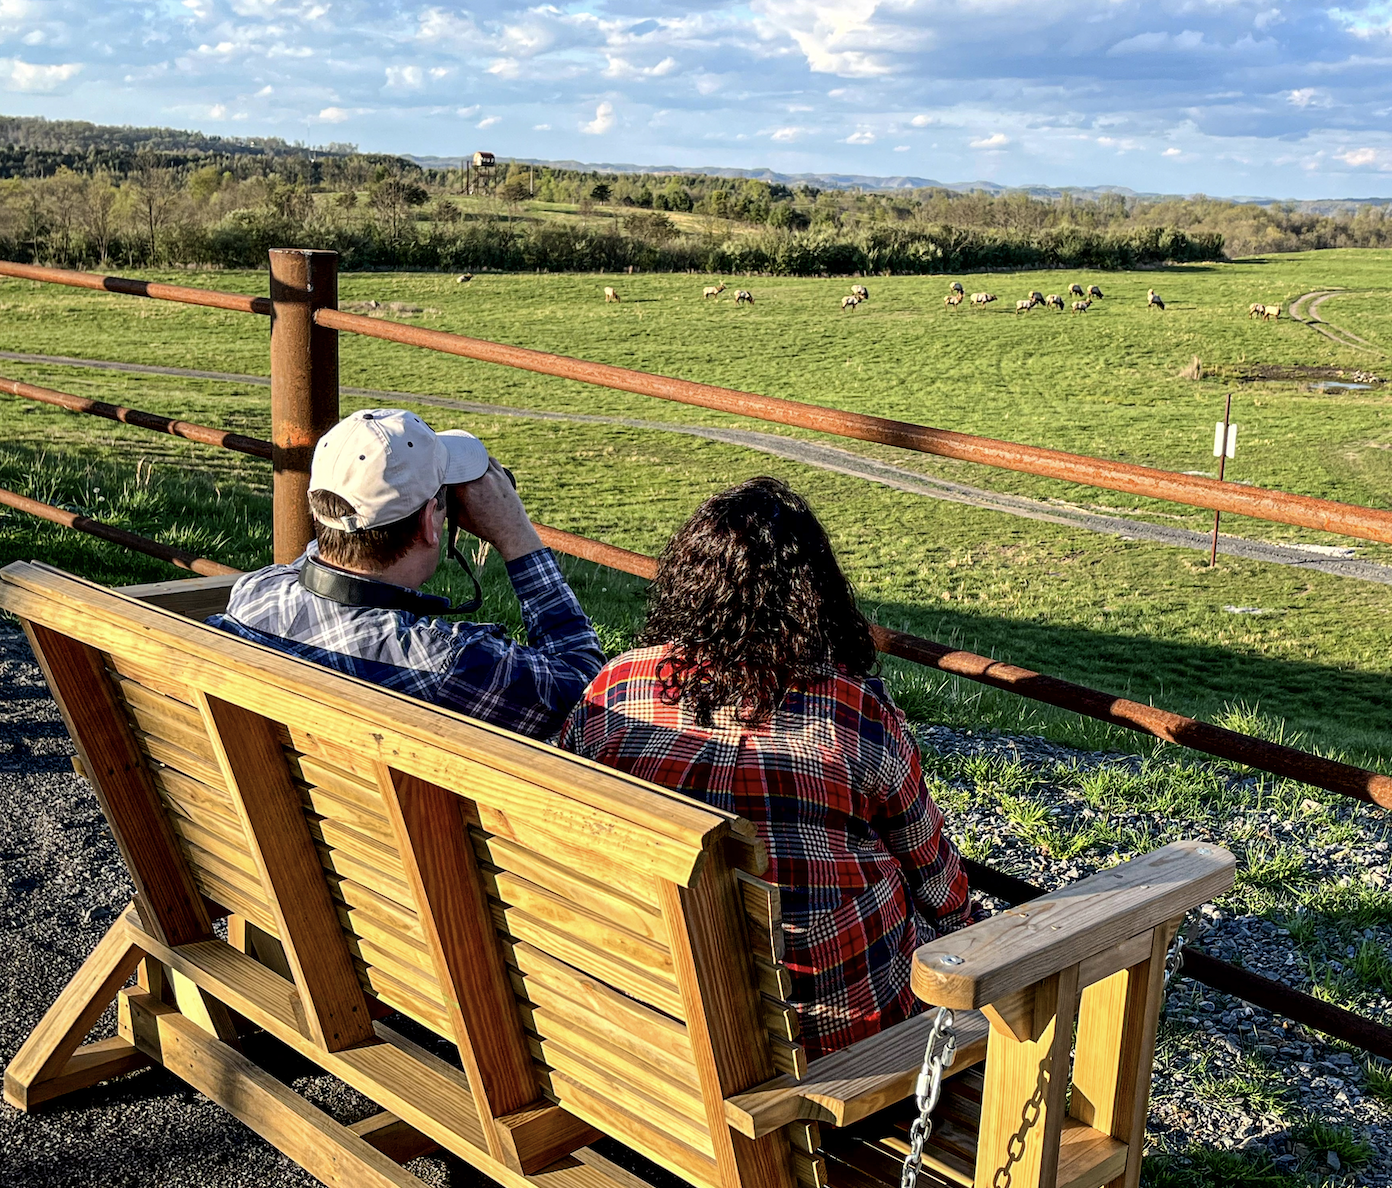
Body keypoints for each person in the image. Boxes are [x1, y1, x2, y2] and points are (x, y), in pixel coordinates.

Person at [561, 476, 970, 1057]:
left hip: (663, 1009)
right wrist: (970, 933)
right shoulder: (851, 715)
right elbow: (935, 877)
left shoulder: (615, 690)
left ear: (684, 588)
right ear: (816, 598)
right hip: (838, 1040)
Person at [210, 408, 602, 740]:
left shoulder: (257, 593)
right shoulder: (453, 663)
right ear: (430, 524)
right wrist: (518, 537)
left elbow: (323, 562)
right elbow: (586, 693)